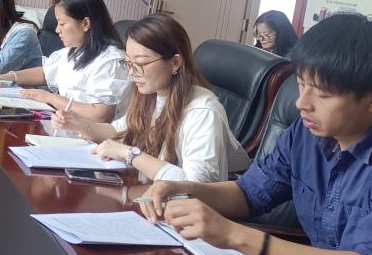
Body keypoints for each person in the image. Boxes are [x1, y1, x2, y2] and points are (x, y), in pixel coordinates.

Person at [140, 14, 372, 255]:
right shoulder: (306, 133)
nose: (301, 103)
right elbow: (249, 193)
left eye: (323, 95)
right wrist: (187, 190)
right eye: (301, 84)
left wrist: (235, 236)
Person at [51, 14, 250, 182]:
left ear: (175, 63)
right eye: (128, 63)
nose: (132, 73)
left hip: (180, 211)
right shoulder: (152, 94)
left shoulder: (203, 111)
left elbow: (196, 185)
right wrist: (80, 125)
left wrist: (129, 154)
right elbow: (120, 130)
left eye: (140, 63)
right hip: (151, 198)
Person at [0, 0, 129, 122]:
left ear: (85, 23)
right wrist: (8, 77)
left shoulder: (110, 61)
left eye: (62, 23)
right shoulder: (74, 51)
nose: (57, 30)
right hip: (66, 126)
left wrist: (51, 98)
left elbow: (101, 115)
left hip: (93, 136)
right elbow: (46, 72)